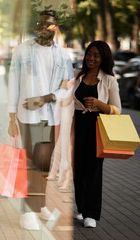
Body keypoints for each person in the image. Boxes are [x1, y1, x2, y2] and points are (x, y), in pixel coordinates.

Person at [7, 10, 74, 230]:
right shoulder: (23, 50)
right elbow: (13, 83)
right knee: (31, 164)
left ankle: (40, 204)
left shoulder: (63, 55)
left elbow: (68, 86)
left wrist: (46, 98)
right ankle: (27, 211)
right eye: (40, 23)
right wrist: (11, 117)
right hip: (28, 117)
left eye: (49, 24)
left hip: (50, 116)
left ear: (56, 28)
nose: (44, 27)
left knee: (44, 164)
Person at [73, 41, 121, 228]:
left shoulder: (109, 80)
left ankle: (91, 214)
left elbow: (118, 109)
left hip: (97, 126)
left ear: (103, 59)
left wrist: (100, 104)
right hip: (76, 125)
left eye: (96, 55)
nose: (91, 58)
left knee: (93, 169)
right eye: (89, 54)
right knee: (77, 169)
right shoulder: (77, 75)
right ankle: (81, 208)